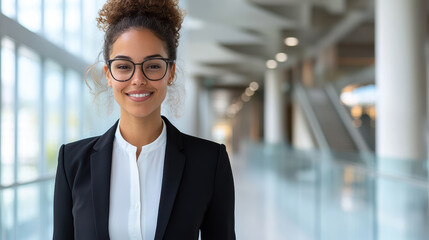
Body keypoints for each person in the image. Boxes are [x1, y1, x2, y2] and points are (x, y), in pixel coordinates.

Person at [53, 0, 236, 239]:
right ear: (108, 74)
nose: (138, 79)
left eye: (152, 66)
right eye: (123, 66)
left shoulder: (210, 163)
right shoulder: (72, 163)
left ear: (170, 72)